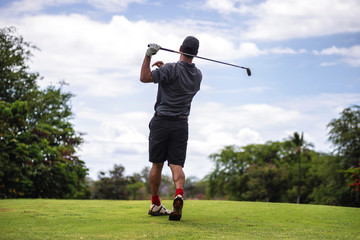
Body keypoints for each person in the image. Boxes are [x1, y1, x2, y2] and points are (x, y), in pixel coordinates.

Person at [140, 36, 202, 221]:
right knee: (176, 165)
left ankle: (155, 203)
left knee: (157, 164)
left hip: (161, 122)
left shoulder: (170, 69)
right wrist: (164, 70)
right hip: (181, 124)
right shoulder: (198, 75)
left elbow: (144, 77)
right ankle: (179, 194)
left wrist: (148, 55)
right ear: (196, 53)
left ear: (180, 48)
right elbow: (178, 79)